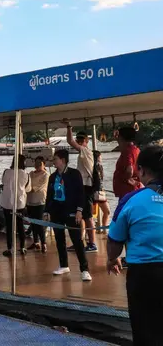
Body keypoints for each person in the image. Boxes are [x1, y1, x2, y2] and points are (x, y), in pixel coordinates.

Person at [107, 145, 163, 345]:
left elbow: (114, 242)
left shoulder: (131, 200)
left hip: (144, 275)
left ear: (142, 171)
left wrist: (112, 259)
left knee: (145, 329)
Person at [46, 149, 92, 281]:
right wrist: (46, 211)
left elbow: (80, 193)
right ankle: (64, 265)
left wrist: (79, 210)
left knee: (77, 240)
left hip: (72, 211)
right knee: (59, 240)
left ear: (63, 160)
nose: (54, 161)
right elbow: (49, 195)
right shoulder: (53, 177)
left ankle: (84, 269)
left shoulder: (74, 174)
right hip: (57, 212)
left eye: (55, 159)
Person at [64, 122, 97, 252]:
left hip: (86, 187)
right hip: (82, 186)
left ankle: (92, 243)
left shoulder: (85, 151)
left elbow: (69, 141)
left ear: (86, 141)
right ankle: (80, 242)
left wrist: (69, 127)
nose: (79, 141)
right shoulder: (84, 153)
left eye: (81, 139)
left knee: (88, 216)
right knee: (82, 215)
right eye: (79, 139)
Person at [113, 127, 142, 268]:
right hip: (134, 193)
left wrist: (126, 179)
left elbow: (129, 169)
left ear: (122, 138)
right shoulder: (136, 150)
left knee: (125, 225)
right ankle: (133, 255)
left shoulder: (127, 152)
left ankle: (129, 257)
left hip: (127, 194)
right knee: (133, 225)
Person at [0, 154, 31, 257]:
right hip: (20, 203)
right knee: (20, 226)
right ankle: (22, 247)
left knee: (9, 226)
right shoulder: (26, 174)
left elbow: (3, 183)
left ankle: (10, 248)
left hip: (7, 203)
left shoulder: (6, 172)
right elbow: (28, 189)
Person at [27, 156, 49, 253]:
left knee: (39, 223)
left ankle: (44, 243)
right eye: (36, 163)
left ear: (44, 164)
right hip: (30, 201)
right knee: (33, 222)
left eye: (40, 163)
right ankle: (36, 242)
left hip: (40, 201)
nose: (37, 165)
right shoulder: (31, 174)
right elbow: (27, 184)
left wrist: (28, 189)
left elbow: (38, 187)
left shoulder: (46, 175)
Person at [93, 151, 111, 234]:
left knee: (105, 211)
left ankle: (103, 229)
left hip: (98, 191)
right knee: (106, 211)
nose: (102, 157)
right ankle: (102, 229)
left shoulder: (98, 166)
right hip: (96, 192)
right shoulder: (96, 166)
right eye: (100, 156)